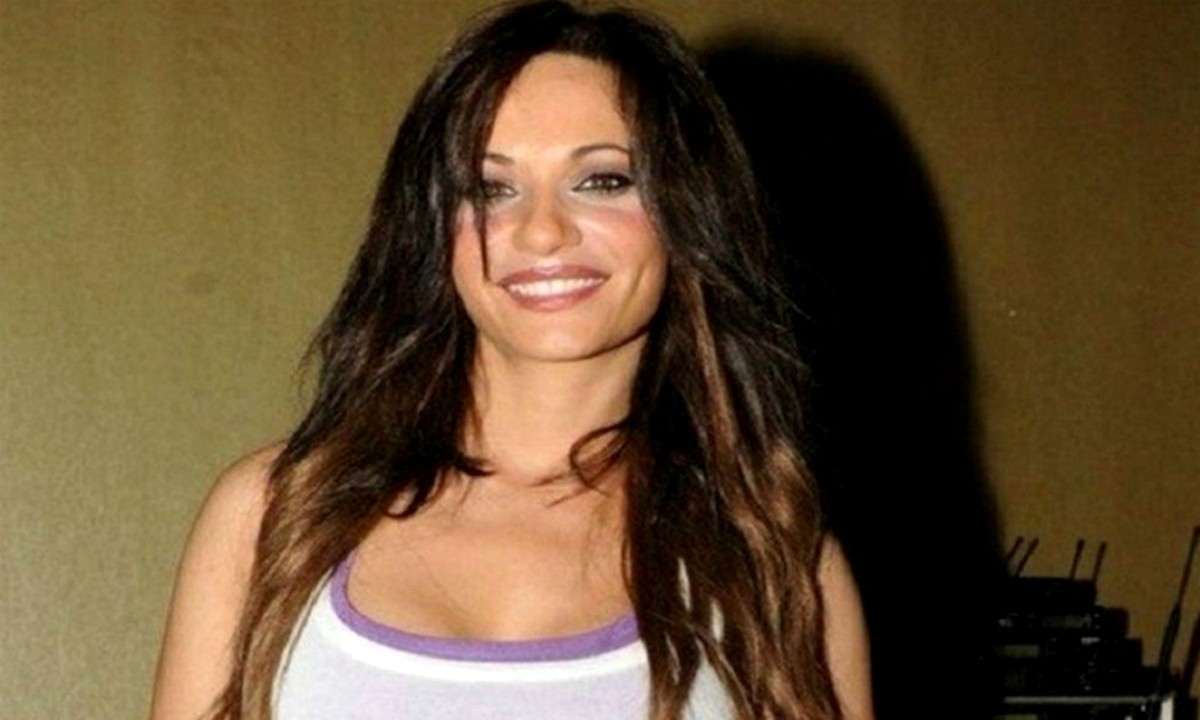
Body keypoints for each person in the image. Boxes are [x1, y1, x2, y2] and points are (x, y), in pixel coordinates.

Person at [150, 2, 872, 719]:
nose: (543, 231)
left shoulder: (769, 551)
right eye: (491, 188)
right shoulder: (274, 516)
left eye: (603, 180)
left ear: (687, 214)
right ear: (433, 229)